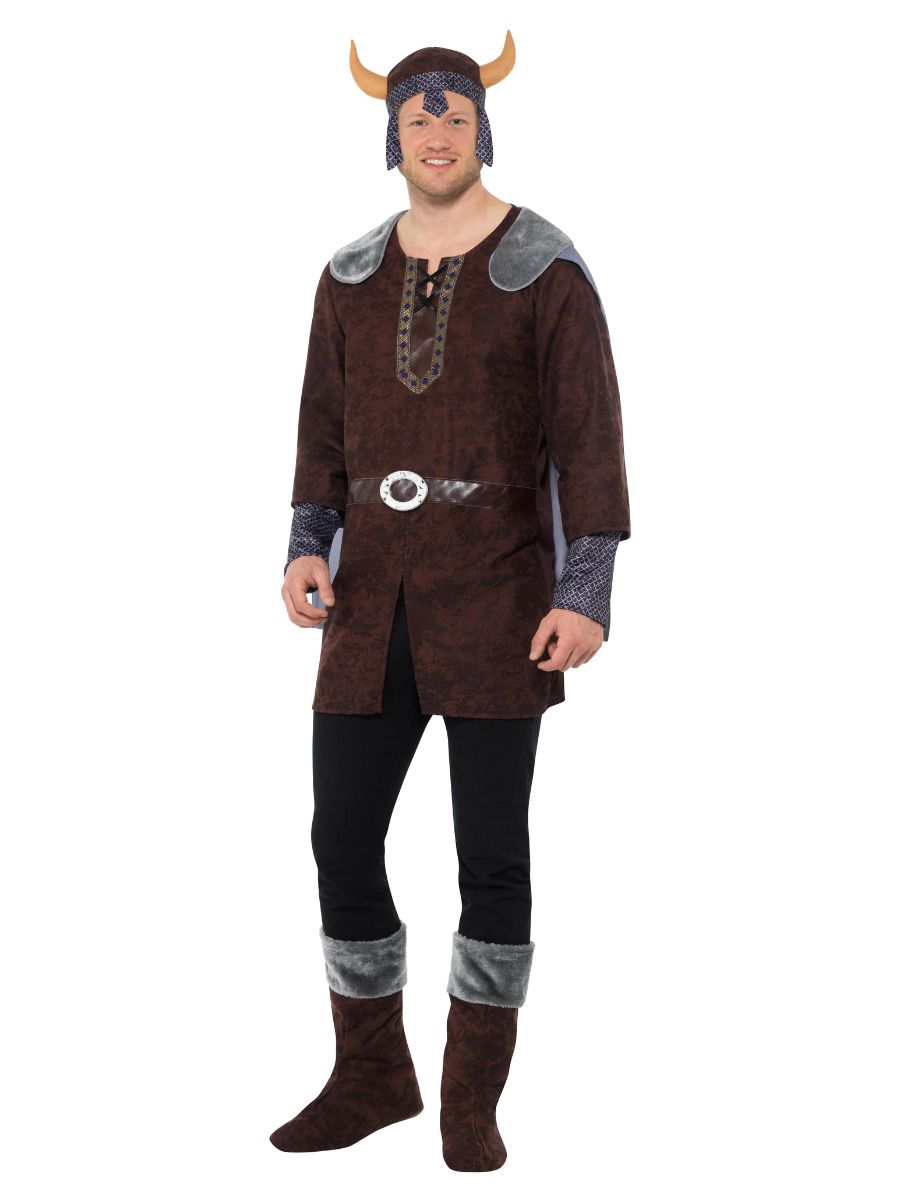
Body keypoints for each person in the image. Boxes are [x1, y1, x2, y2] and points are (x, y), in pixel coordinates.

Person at [269, 32, 631, 1171]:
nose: (438, 133)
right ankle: (374, 1074)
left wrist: (586, 589)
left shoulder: (545, 268)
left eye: (456, 116)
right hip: (370, 601)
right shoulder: (349, 274)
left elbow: (589, 440)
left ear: (484, 130)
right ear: (394, 135)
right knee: (340, 838)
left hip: (499, 599)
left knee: (492, 856)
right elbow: (323, 429)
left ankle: (472, 1100)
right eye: (418, 117)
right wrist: (307, 541)